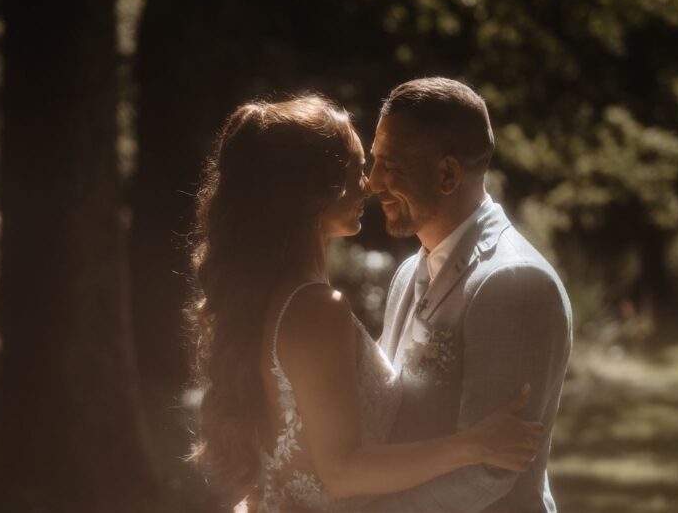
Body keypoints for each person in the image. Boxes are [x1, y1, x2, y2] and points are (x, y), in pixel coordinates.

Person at [188, 94, 544, 513]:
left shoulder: (273, 296)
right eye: (358, 170)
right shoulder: (315, 309)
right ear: (312, 191)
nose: (370, 185)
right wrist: (473, 445)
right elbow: (343, 471)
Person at [362, 77, 573, 512]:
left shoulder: (513, 282)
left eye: (391, 166)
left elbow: (489, 473)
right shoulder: (408, 272)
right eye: (374, 161)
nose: (373, 183)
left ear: (447, 173)